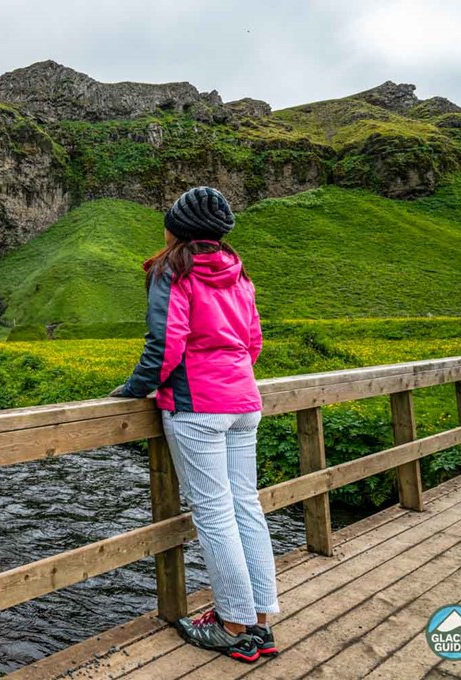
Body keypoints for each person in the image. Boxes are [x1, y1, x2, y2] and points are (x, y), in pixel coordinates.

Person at [110, 186, 279, 664]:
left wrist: (132, 389)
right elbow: (253, 343)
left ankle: (231, 626)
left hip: (197, 405)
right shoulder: (238, 272)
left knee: (214, 513)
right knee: (246, 506)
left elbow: (165, 345)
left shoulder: (172, 270)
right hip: (244, 402)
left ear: (177, 230)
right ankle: (260, 623)